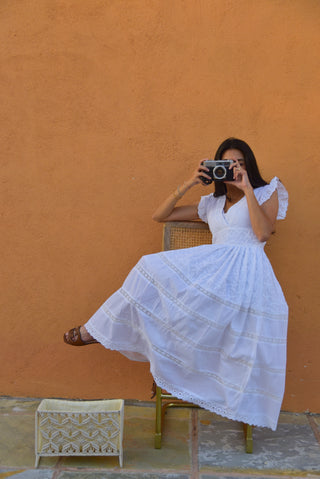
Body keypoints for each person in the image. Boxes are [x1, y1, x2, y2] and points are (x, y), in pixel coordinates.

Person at [64, 137, 288, 431]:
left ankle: (149, 357)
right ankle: (98, 330)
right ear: (215, 167)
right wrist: (190, 183)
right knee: (149, 269)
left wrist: (247, 189)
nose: (233, 168)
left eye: (240, 163)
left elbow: (262, 234)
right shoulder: (212, 204)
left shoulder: (266, 191)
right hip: (213, 274)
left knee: (190, 318)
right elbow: (161, 216)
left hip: (247, 277)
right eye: (226, 163)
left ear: (249, 166)